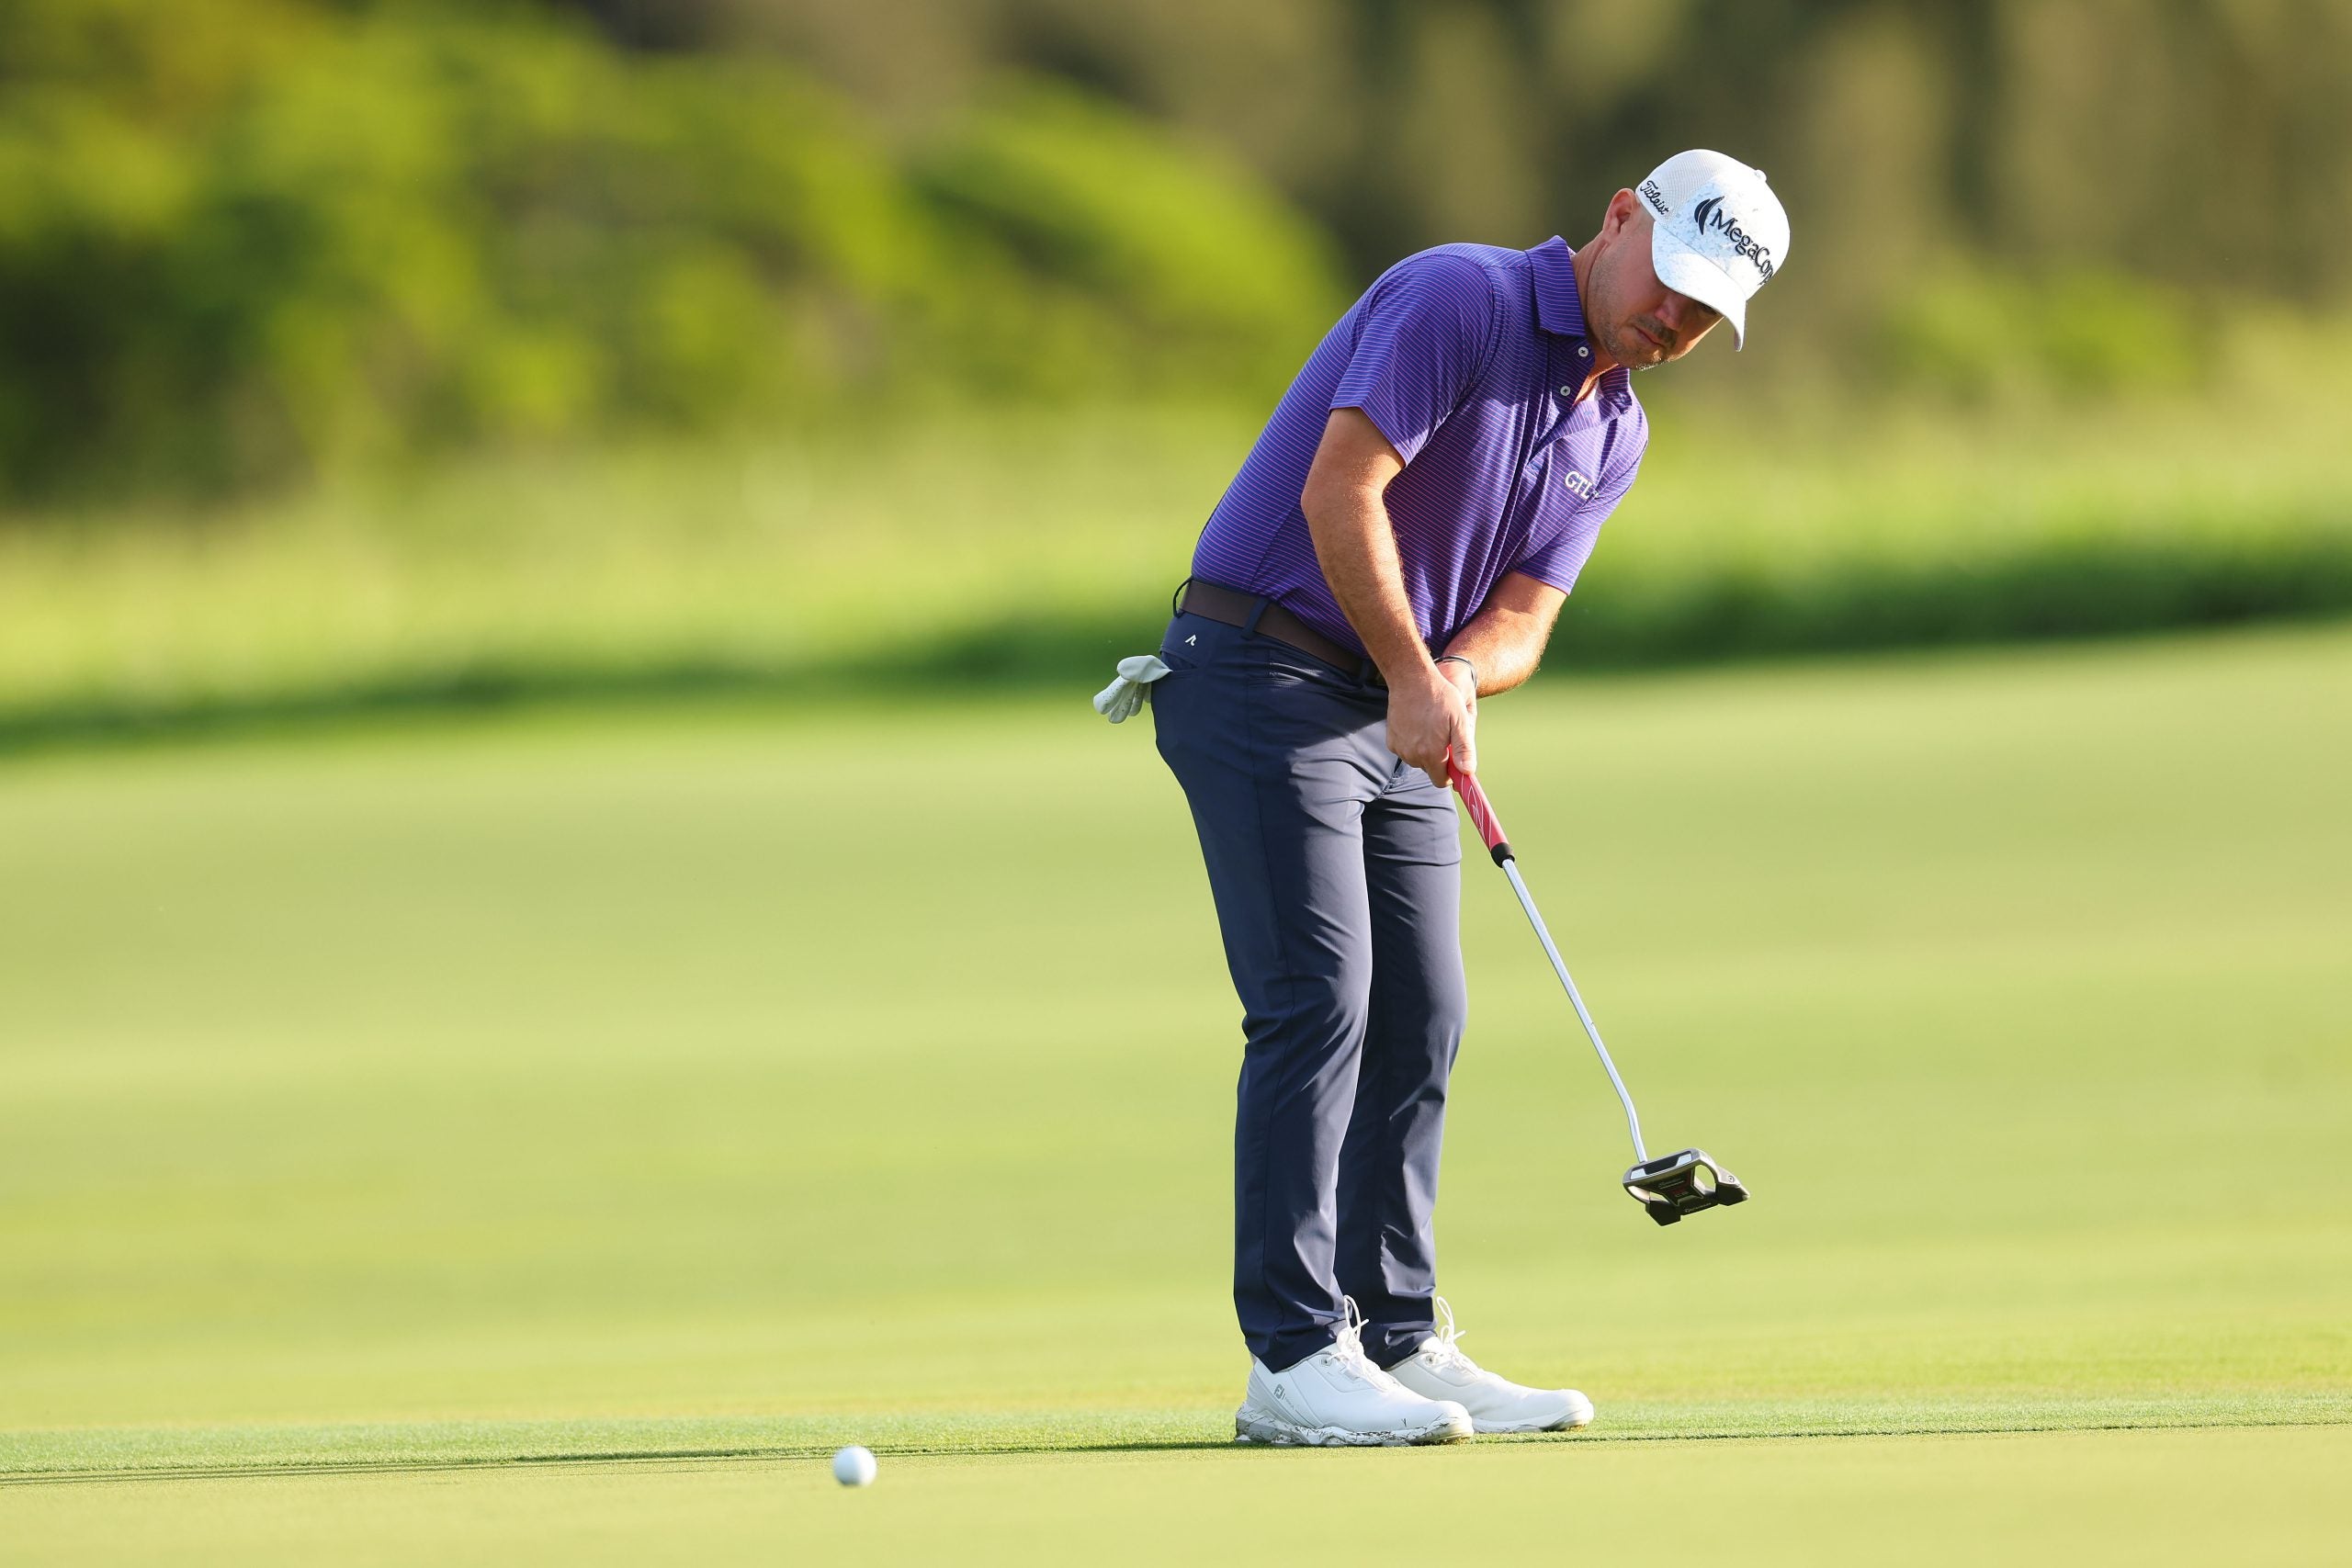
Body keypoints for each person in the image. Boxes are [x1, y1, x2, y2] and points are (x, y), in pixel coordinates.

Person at [1096, 150, 1790, 1446]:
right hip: (1257, 667)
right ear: (1618, 220)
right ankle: (1295, 1359)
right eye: (1672, 286)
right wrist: (1420, 672)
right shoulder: (1458, 300)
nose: (1675, 322)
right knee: (1320, 1001)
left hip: (1396, 703)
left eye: (1706, 315)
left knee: (1424, 1014)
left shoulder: (1616, 429)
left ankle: (1400, 1337)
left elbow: (1526, 613)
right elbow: (1337, 489)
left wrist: (1455, 675)